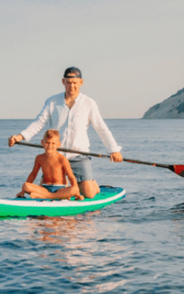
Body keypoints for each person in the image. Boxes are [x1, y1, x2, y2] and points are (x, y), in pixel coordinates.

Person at [8, 67, 123, 199]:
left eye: (74, 82)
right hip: (55, 157)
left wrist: (113, 150)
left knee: (89, 194)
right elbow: (39, 123)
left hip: (79, 156)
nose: (71, 86)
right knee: (42, 193)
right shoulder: (52, 101)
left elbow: (101, 128)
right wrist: (19, 136)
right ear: (63, 82)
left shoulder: (89, 103)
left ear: (81, 82)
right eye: (68, 82)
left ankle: (92, 184)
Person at [17, 129, 83, 201]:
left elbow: (71, 176)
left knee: (75, 189)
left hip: (60, 189)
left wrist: (77, 194)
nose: (50, 146)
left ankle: (46, 196)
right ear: (42, 143)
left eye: (53, 143)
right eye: (47, 143)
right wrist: (23, 191)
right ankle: (55, 196)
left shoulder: (62, 159)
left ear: (58, 144)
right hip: (45, 189)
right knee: (25, 185)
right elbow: (33, 174)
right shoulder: (39, 158)